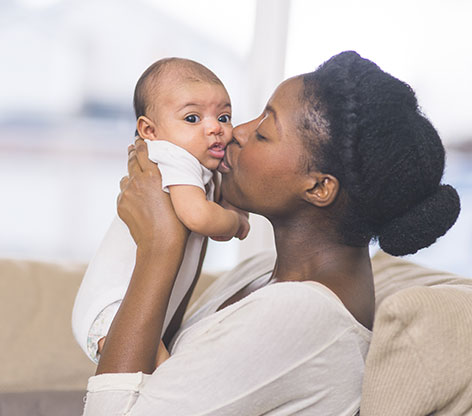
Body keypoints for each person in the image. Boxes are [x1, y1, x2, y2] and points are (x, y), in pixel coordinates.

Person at [82, 51, 461, 415]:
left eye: (263, 133)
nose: (235, 133)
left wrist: (159, 247)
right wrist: (183, 233)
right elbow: (160, 367)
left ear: (318, 188)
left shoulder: (302, 315)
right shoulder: (262, 273)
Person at [72, 58, 250, 363]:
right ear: (149, 130)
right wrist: (237, 222)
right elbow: (199, 217)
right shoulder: (169, 155)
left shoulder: (199, 162)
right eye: (192, 118)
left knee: (158, 379)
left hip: (137, 305)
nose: (214, 128)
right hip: (112, 308)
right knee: (162, 381)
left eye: (224, 116)